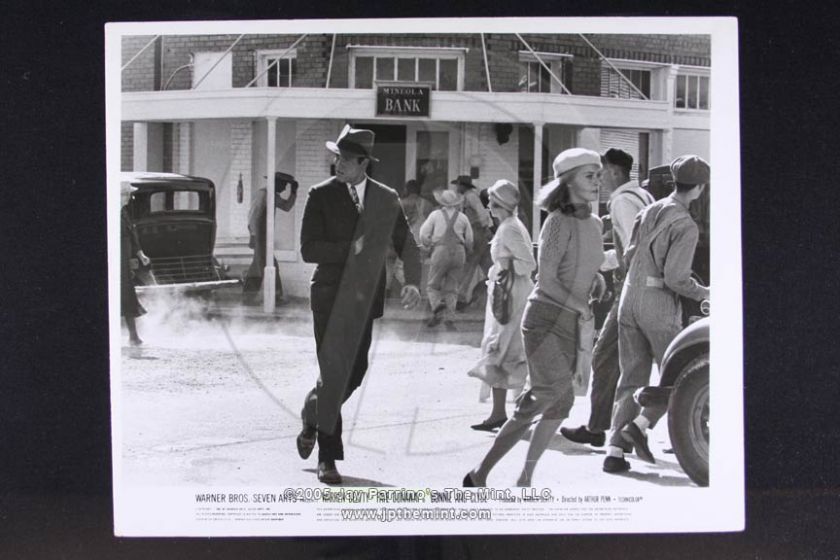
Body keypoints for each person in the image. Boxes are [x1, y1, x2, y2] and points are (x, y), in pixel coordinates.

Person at [464, 148, 605, 487]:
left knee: (561, 403)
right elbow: (548, 278)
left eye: (599, 175)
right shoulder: (556, 222)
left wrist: (595, 278)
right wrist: (580, 301)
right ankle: (480, 473)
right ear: (567, 181)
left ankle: (523, 478)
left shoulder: (595, 223)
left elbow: (584, 263)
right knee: (543, 396)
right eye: (590, 175)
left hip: (573, 321)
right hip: (545, 320)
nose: (598, 182)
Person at [296, 124, 422, 485]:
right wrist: (348, 250)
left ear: (364, 163)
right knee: (334, 374)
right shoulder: (320, 194)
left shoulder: (386, 198)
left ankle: (312, 412)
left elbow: (408, 243)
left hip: (364, 301)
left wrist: (413, 281)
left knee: (354, 373)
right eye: (338, 158)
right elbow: (308, 249)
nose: (339, 165)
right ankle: (327, 458)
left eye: (347, 160)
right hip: (329, 297)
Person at [602, 155, 710, 474]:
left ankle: (615, 451)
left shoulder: (649, 209)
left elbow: (628, 253)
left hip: (629, 297)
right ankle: (639, 425)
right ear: (700, 188)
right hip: (658, 304)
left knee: (630, 377)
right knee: (680, 377)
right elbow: (676, 278)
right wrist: (704, 292)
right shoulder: (685, 224)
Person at [561, 148, 654, 447]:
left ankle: (601, 428)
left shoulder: (621, 202)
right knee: (633, 363)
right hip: (651, 289)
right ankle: (622, 429)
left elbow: (633, 249)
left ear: (614, 171)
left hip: (632, 289)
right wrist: (602, 260)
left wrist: (602, 264)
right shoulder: (644, 197)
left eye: (600, 173)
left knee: (604, 358)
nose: (599, 180)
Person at [467, 180, 536, 431]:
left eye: (492, 202)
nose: (488, 206)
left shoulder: (509, 228)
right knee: (504, 348)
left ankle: (506, 413)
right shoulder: (509, 226)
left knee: (502, 348)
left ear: (502, 204)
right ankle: (506, 412)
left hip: (512, 295)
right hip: (506, 293)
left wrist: (505, 266)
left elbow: (528, 264)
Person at [418, 189, 473, 329]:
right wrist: (467, 250)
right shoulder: (463, 217)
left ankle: (438, 307)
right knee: (452, 287)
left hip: (441, 250)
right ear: (456, 203)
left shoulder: (435, 215)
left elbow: (423, 234)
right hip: (459, 252)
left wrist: (428, 244)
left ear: (441, 202)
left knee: (432, 285)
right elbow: (469, 240)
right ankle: (449, 319)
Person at [242, 176, 298, 305]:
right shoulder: (263, 194)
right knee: (261, 266)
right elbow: (253, 215)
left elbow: (286, 206)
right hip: (259, 236)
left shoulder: (273, 196)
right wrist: (254, 235)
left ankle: (250, 297)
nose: (284, 188)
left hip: (265, 236)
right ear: (276, 183)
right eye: (283, 184)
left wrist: (293, 192)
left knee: (261, 265)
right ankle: (267, 298)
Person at [451, 175, 493, 309]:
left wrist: (486, 228)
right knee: (487, 266)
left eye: (458, 185)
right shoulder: (465, 198)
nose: (457, 187)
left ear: (463, 186)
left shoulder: (470, 196)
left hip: (476, 233)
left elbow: (482, 213)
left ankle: (460, 299)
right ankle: (497, 292)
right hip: (475, 233)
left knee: (468, 266)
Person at [120, 181, 150, 346]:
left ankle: (133, 336)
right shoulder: (111, 212)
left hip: (123, 260)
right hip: (115, 260)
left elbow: (132, 235)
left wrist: (140, 255)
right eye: (126, 194)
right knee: (121, 295)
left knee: (127, 295)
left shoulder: (124, 212)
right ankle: (132, 336)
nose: (130, 197)